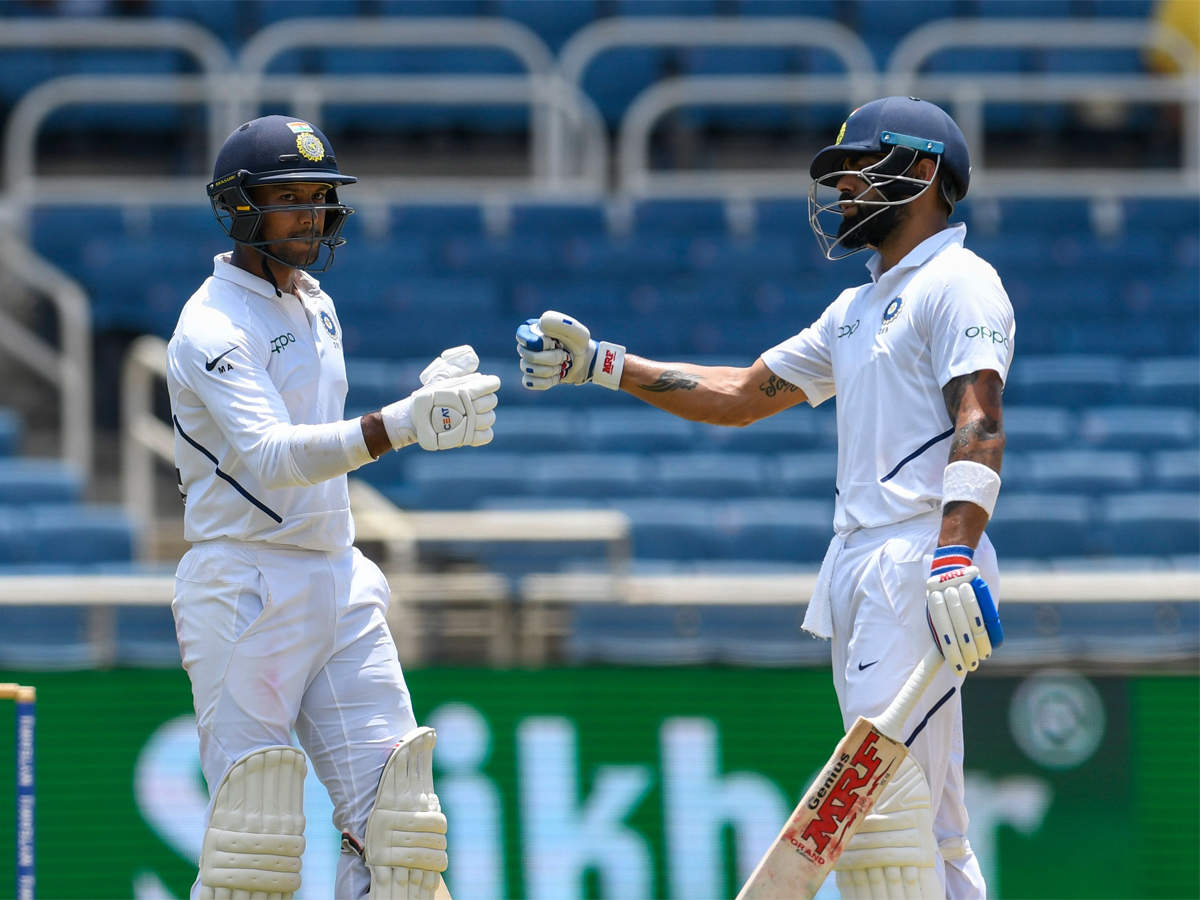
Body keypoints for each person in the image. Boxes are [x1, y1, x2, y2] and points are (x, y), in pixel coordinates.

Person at [516, 96, 1012, 899]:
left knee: (883, 812)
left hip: (919, 559)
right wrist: (602, 363)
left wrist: (955, 551)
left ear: (922, 171)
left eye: (859, 170)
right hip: (862, 567)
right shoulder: (855, 310)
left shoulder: (960, 282)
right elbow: (742, 392)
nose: (844, 189)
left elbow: (980, 419)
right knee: (926, 820)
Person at [168, 114, 498, 900]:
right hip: (245, 587)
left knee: (403, 834)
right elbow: (274, 458)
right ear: (240, 207)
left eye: (320, 198)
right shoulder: (210, 326)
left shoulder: (315, 303)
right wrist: (403, 424)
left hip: (337, 576)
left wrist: (422, 400)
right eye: (289, 198)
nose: (310, 215)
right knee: (258, 843)